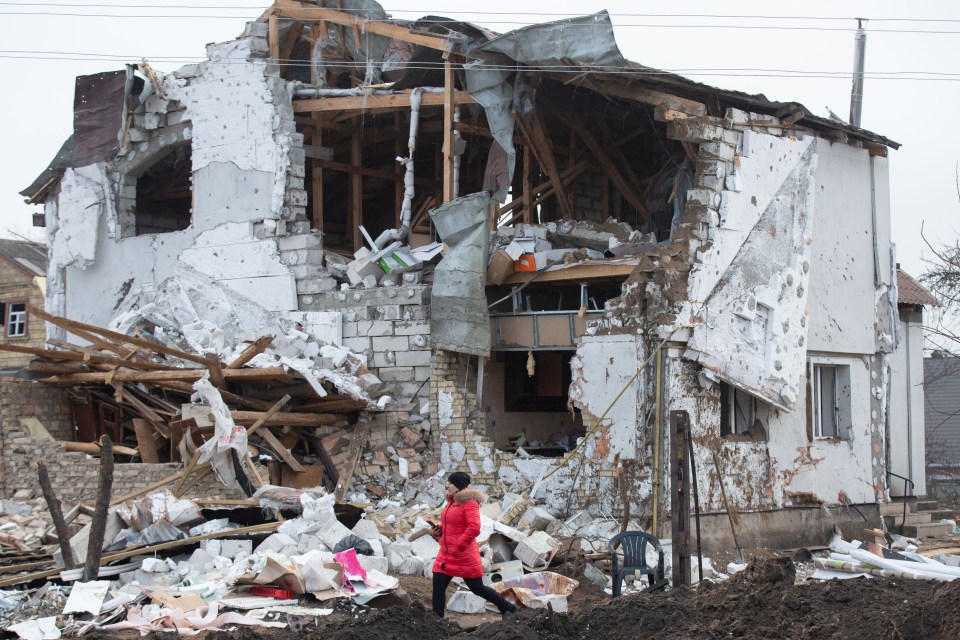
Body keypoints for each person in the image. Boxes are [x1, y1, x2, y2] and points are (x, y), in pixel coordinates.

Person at [430, 471, 517, 618]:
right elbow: (452, 526)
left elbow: (474, 528)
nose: (447, 485)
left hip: (463, 555)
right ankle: (437, 621)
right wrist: (439, 530)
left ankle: (508, 608)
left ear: (458, 485)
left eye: (450, 483)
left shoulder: (469, 502)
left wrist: (459, 544)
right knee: (438, 586)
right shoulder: (451, 501)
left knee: (478, 588)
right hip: (446, 554)